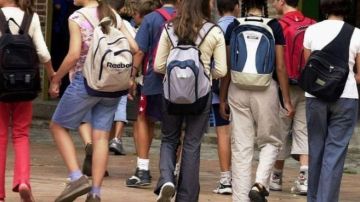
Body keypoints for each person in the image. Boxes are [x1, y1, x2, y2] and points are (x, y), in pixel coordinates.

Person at [49, 0, 138, 201]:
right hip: (113, 85)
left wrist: (56, 78)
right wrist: (130, 75)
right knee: (100, 138)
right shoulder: (113, 15)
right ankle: (95, 193)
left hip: (86, 82)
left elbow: (73, 55)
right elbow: (134, 47)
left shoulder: (78, 17)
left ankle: (76, 177)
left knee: (57, 126)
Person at [220, 0, 294, 201]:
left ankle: (240, 198)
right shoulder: (274, 26)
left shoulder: (234, 26)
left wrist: (222, 98)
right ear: (263, 5)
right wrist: (286, 100)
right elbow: (280, 67)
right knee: (270, 141)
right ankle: (260, 183)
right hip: (266, 88)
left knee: (241, 148)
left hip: (237, 88)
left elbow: (227, 66)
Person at [153, 0, 227, 201]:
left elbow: (159, 66)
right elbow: (221, 70)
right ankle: (186, 196)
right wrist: (204, 74)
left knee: (169, 139)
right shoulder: (214, 31)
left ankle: (167, 179)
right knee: (192, 144)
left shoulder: (169, 28)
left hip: (171, 95)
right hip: (201, 96)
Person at [302, 0, 360, 201]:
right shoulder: (356, 33)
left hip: (315, 97)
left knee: (315, 149)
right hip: (346, 97)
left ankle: (314, 198)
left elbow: (308, 65)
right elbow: (359, 74)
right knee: (334, 154)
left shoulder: (311, 30)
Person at [0, 0, 55, 201]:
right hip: (25, 85)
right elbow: (42, 53)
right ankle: (23, 181)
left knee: (0, 136)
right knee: (21, 134)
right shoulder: (31, 17)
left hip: (1, 86)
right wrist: (53, 78)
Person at [126, 0, 176, 188]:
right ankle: (174, 172)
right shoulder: (186, 18)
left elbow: (139, 51)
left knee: (144, 119)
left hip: (154, 79)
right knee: (176, 127)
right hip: (181, 83)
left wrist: (131, 76)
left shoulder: (151, 19)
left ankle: (143, 169)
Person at [269, 0, 315, 194]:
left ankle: (276, 177)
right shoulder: (313, 24)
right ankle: (304, 178)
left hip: (283, 86)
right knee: (303, 130)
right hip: (306, 86)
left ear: (281, 2)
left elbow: (275, 61)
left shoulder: (277, 25)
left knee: (279, 131)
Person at [211, 0, 240, 195]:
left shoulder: (213, 29)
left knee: (222, 133)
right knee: (234, 135)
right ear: (237, 6)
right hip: (239, 89)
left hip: (215, 89)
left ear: (216, 7)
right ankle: (233, 179)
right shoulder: (241, 27)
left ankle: (225, 179)